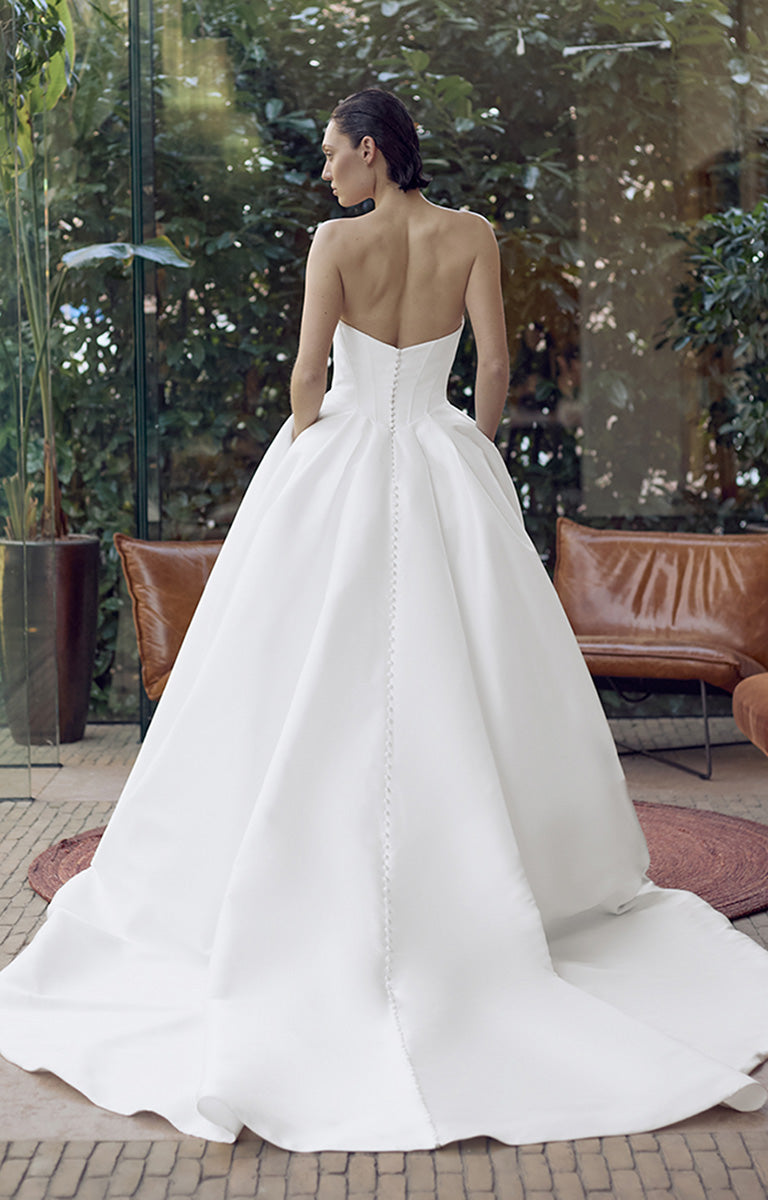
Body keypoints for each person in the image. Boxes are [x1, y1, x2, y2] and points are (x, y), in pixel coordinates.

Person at [0, 88, 767, 1151]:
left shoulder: (333, 244)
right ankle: (497, 896)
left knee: (299, 671)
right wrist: (471, 452)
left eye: (331, 155)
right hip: (440, 454)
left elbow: (309, 376)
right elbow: (493, 365)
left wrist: (309, 444)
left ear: (371, 153)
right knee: (476, 676)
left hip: (347, 456)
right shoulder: (472, 237)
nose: (324, 172)